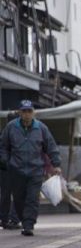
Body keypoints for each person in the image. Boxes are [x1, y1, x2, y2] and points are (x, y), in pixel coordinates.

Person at [0, 100, 62, 236]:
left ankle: (28, 225)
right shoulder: (11, 127)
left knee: (32, 198)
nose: (27, 114)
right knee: (19, 199)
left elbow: (51, 146)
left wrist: (56, 164)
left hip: (35, 171)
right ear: (19, 113)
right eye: (24, 111)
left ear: (34, 112)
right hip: (16, 170)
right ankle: (24, 219)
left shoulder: (41, 128)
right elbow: (3, 146)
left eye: (29, 111)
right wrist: (5, 161)